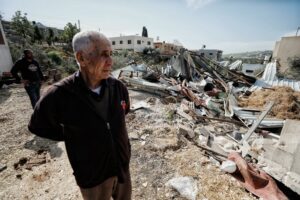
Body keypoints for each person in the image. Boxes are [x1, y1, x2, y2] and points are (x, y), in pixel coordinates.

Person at [28, 30, 131, 200]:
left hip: (122, 168)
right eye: (104, 55)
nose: (111, 61)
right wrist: (71, 135)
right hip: (92, 176)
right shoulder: (59, 94)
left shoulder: (118, 88)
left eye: (111, 54)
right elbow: (37, 126)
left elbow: (122, 115)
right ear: (82, 58)